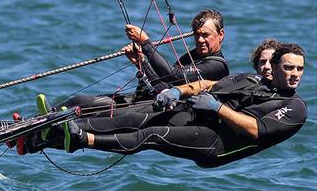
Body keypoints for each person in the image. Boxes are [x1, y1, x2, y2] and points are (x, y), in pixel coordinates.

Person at [22, 43, 306, 168]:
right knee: (138, 117)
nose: (294, 74)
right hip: (200, 121)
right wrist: (176, 91)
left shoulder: (294, 107)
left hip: (218, 145)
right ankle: (39, 136)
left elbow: (256, 130)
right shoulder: (250, 79)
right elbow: (208, 86)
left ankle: (82, 138)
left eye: (299, 69)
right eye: (288, 67)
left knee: (153, 135)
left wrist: (218, 109)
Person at [56, 9, 231, 118]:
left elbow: (174, 77)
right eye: (196, 34)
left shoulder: (217, 66)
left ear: (220, 34)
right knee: (82, 100)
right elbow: (164, 84)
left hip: (169, 114)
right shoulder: (193, 55)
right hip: (150, 101)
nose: (200, 40)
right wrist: (141, 63)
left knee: (99, 115)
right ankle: (45, 117)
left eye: (205, 35)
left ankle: (54, 128)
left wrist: (146, 44)